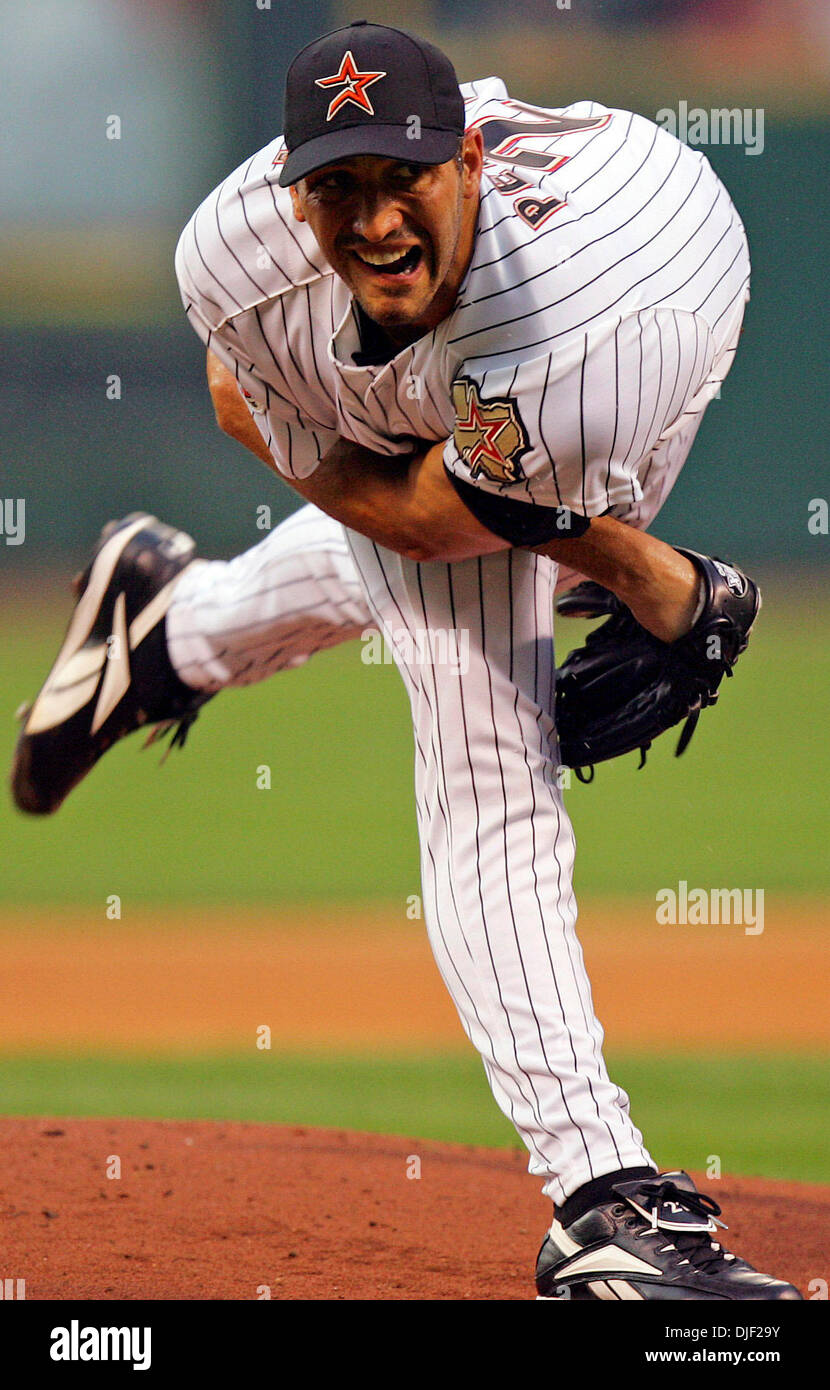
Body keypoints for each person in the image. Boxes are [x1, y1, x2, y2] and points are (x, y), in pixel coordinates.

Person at [11, 21, 800, 1300]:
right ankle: (597, 1196)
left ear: (471, 158)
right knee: (487, 741)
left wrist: (659, 575)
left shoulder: (581, 340)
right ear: (289, 185)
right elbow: (253, 407)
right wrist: (678, 593)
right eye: (339, 185)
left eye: (404, 178)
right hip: (551, 345)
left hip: (654, 310)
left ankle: (173, 627)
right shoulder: (232, 254)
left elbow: (458, 521)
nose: (373, 219)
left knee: (490, 542)